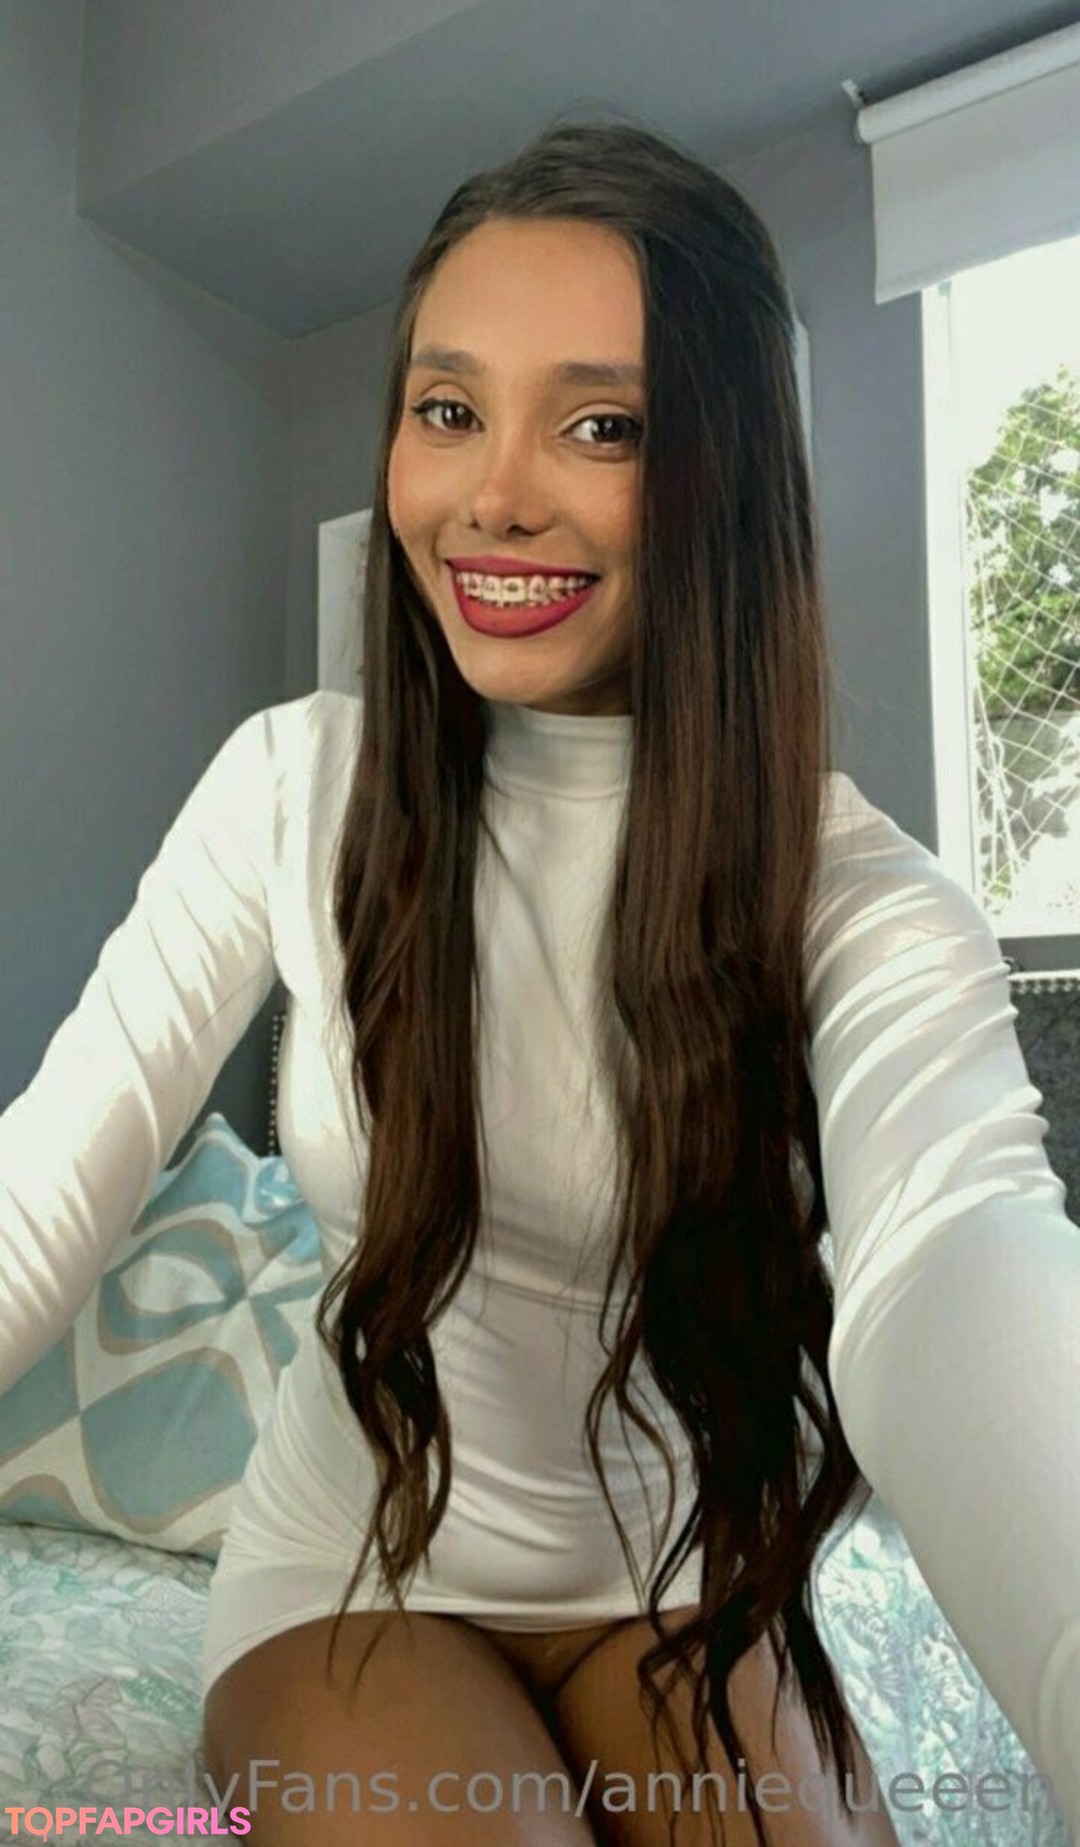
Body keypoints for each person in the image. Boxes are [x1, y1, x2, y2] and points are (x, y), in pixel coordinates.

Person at [1, 117, 1077, 1847]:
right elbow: (45, 1190)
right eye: (448, 410)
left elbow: (957, 1267)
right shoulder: (291, 786)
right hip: (354, 1571)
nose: (493, 495)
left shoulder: (854, 892)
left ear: (724, 474)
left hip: (680, 1579)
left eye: (602, 426)